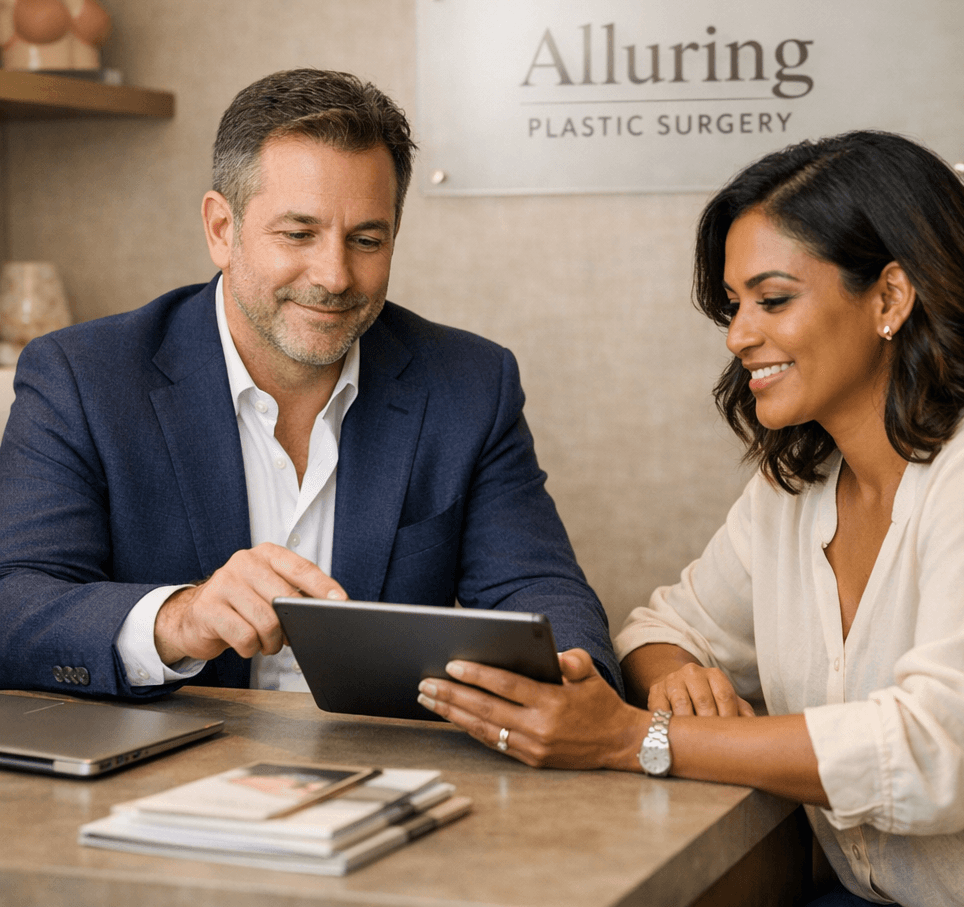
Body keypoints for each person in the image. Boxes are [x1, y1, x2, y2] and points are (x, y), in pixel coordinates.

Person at [416, 132, 964, 907]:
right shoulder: (794, 491)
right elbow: (655, 628)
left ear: (890, 298)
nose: (739, 335)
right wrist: (681, 680)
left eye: (772, 300)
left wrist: (636, 739)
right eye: (734, 306)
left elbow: (944, 754)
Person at [0, 67, 621, 700]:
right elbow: (15, 604)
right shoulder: (82, 377)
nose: (334, 275)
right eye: (299, 234)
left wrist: (573, 682)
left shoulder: (469, 384)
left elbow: (539, 588)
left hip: (388, 772)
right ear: (222, 229)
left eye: (367, 239)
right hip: (163, 767)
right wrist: (179, 618)